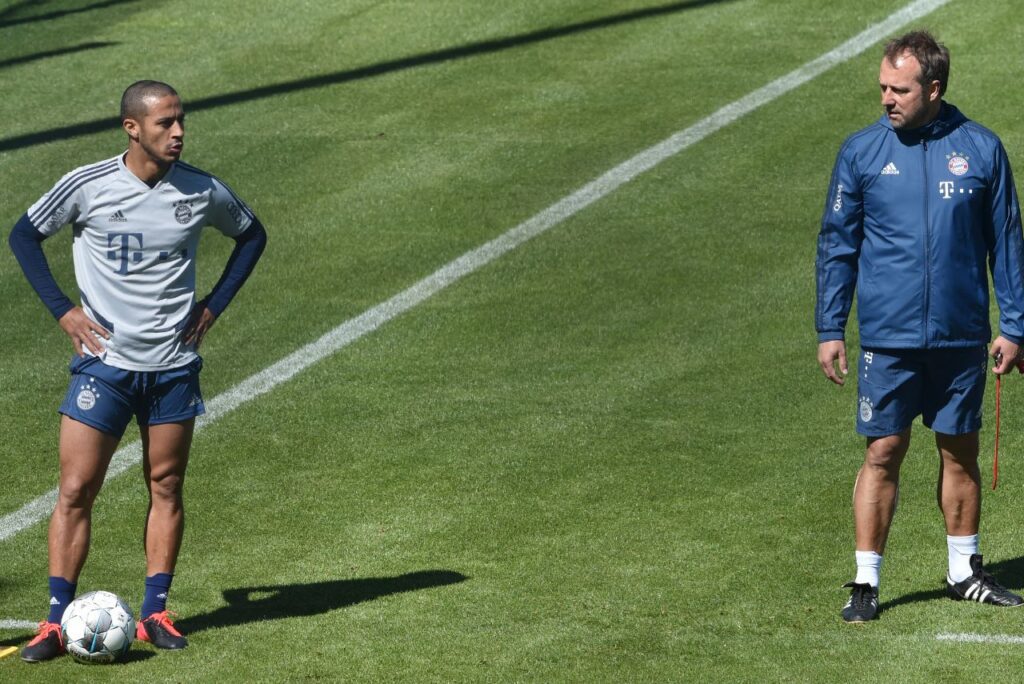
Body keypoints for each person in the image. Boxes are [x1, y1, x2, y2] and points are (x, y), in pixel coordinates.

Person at [9, 80, 267, 661]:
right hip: (104, 367)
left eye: (181, 122)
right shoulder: (88, 185)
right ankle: (53, 622)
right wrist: (63, 311)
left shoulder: (200, 191)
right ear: (132, 127)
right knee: (76, 489)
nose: (177, 133)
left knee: (166, 485)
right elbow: (25, 234)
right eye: (164, 123)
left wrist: (213, 306)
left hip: (173, 368)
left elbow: (251, 235)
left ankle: (154, 612)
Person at [816, 31, 1024, 623]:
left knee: (959, 451)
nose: (886, 98)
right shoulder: (861, 153)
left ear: (933, 89)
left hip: (961, 338)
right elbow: (837, 247)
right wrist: (830, 327)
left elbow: (1005, 244)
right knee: (883, 449)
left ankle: (964, 571)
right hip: (888, 338)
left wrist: (1015, 325)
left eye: (899, 89)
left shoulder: (982, 150)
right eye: (883, 86)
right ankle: (864, 581)